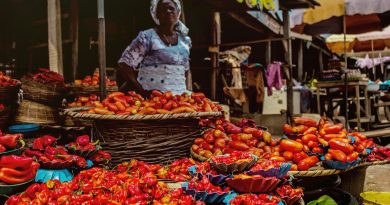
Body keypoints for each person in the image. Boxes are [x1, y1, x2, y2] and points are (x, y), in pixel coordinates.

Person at [117, 0, 191, 96]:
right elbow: (124, 65)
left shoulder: (185, 40)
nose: (168, 11)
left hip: (179, 99)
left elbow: (184, 70)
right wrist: (142, 91)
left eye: (171, 8)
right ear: (156, 15)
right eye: (162, 10)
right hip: (152, 101)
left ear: (178, 12)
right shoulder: (147, 37)